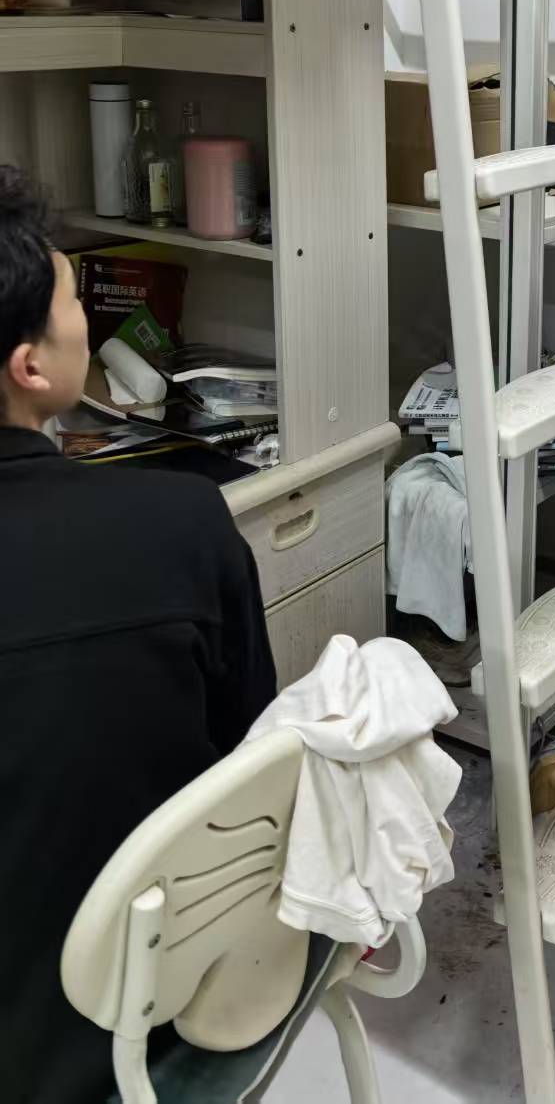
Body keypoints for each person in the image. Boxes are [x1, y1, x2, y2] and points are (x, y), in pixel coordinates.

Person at [0, 166, 277, 1104]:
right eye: (74, 301)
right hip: (146, 1020)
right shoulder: (180, 525)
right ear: (31, 366)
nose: (85, 320)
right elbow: (252, 772)